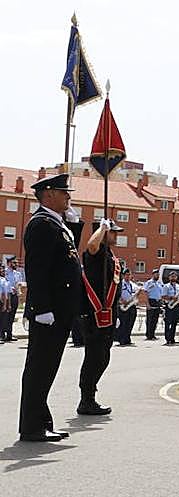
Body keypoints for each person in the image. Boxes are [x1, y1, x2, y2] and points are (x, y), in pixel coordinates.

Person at [18, 174, 84, 442]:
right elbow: (38, 270)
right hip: (49, 312)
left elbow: (67, 257)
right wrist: (41, 307)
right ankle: (32, 427)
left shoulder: (55, 223)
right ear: (48, 195)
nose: (68, 196)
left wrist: (75, 224)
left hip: (59, 310)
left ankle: (41, 422)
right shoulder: (42, 224)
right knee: (40, 369)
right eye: (63, 192)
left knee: (46, 369)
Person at [78, 219, 123, 415]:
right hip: (94, 314)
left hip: (108, 314)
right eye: (113, 232)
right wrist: (102, 228)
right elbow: (90, 246)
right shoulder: (95, 253)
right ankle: (86, 400)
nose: (117, 235)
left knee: (103, 357)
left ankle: (90, 396)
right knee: (94, 357)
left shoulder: (110, 255)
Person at [115, 268, 138, 346]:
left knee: (130, 323)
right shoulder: (120, 284)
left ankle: (127, 339)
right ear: (123, 275)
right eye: (126, 275)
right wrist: (122, 300)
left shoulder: (133, 284)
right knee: (123, 323)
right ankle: (122, 339)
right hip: (123, 305)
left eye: (129, 275)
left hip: (131, 305)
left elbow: (135, 294)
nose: (128, 276)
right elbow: (117, 294)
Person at [161, 272, 179, 345]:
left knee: (174, 323)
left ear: (176, 277)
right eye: (172, 276)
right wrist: (171, 298)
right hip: (169, 306)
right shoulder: (166, 286)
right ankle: (167, 339)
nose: (173, 278)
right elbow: (163, 296)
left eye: (174, 276)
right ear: (169, 277)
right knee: (168, 323)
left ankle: (172, 338)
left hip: (176, 306)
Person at [143, 275, 163, 340]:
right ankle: (148, 335)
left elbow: (160, 293)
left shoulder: (159, 283)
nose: (157, 275)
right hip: (151, 301)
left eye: (158, 274)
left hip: (157, 302)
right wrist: (147, 304)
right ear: (153, 274)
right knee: (150, 320)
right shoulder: (149, 283)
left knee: (155, 320)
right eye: (156, 274)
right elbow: (145, 293)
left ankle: (153, 334)